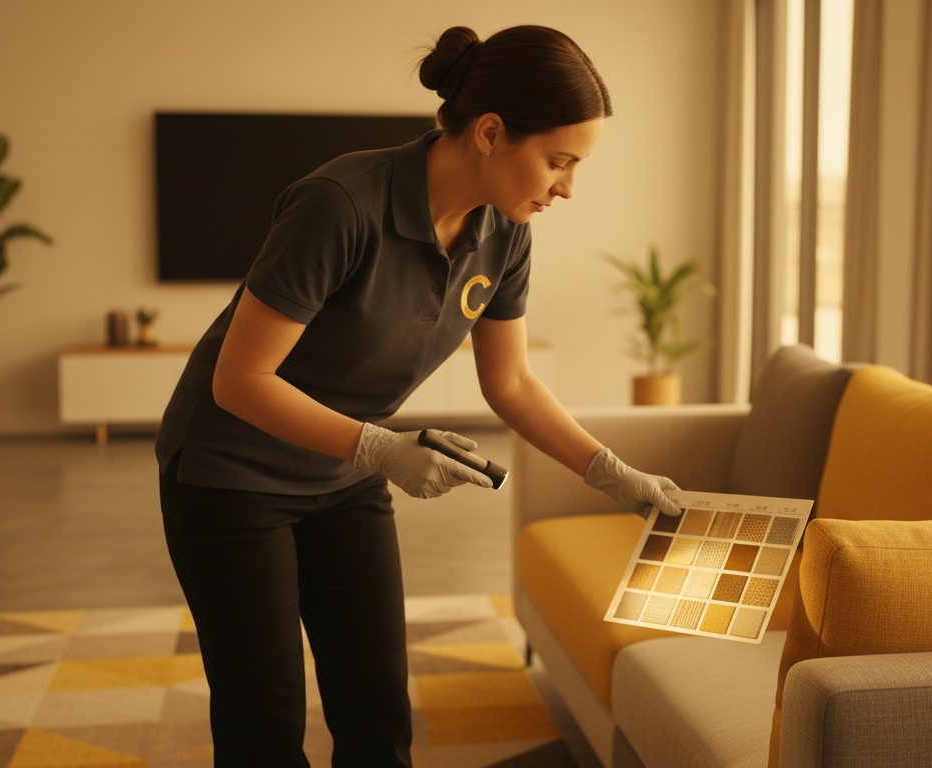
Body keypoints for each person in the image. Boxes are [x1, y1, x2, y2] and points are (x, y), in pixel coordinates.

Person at [155, 24, 681, 768]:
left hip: (343, 477)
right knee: (263, 722)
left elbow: (511, 382)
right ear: (492, 133)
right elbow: (239, 382)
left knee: (377, 712)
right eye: (559, 161)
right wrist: (378, 446)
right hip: (231, 475)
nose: (567, 187)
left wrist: (610, 473)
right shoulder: (340, 204)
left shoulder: (506, 232)